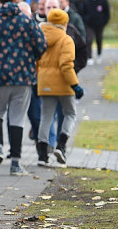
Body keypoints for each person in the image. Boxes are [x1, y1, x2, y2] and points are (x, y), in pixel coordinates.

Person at [0, 0, 46, 176]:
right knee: (17, 118)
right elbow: (41, 45)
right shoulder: (26, 21)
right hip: (22, 76)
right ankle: (16, 162)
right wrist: (29, 57)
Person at [36, 9, 85, 167]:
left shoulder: (40, 37)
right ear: (64, 23)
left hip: (45, 84)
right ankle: (61, 146)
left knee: (46, 117)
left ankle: (42, 156)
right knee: (70, 113)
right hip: (63, 84)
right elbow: (66, 66)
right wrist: (75, 85)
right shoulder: (66, 39)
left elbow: (35, 61)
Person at [82, 0, 110, 65]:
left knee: (99, 39)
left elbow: (107, 12)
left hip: (99, 24)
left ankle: (99, 54)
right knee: (89, 40)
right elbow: (83, 12)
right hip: (89, 24)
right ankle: (89, 57)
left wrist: (104, 21)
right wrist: (86, 20)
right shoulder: (86, 0)